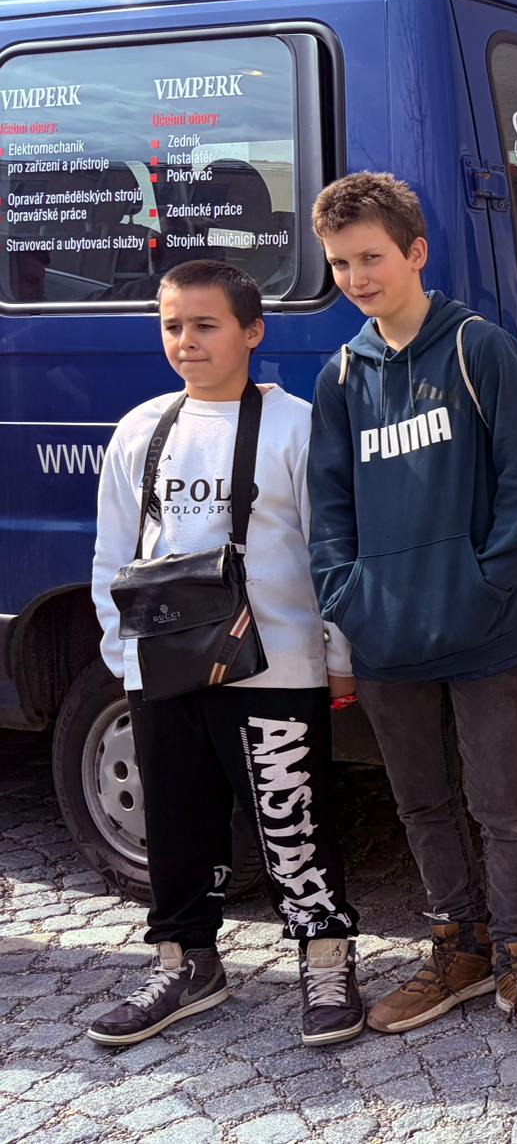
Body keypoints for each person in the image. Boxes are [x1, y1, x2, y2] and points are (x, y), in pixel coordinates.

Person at [307, 172, 517, 1048]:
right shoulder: (342, 375)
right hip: (388, 638)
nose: (357, 277)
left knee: (504, 805)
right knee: (422, 806)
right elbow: (328, 510)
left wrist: (484, 586)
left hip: (487, 633)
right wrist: (350, 600)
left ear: (416, 252)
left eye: (371, 258)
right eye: (340, 263)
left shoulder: (479, 349)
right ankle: (456, 950)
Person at [87, 260, 363, 1047]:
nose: (187, 341)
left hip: (277, 666)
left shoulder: (296, 426)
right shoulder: (140, 429)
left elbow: (330, 552)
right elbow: (115, 553)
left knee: (292, 820)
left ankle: (326, 955)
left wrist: (338, 656)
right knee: (176, 822)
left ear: (253, 332)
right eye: (173, 326)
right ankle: (186, 961)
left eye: (205, 325)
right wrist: (124, 654)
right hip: (163, 668)